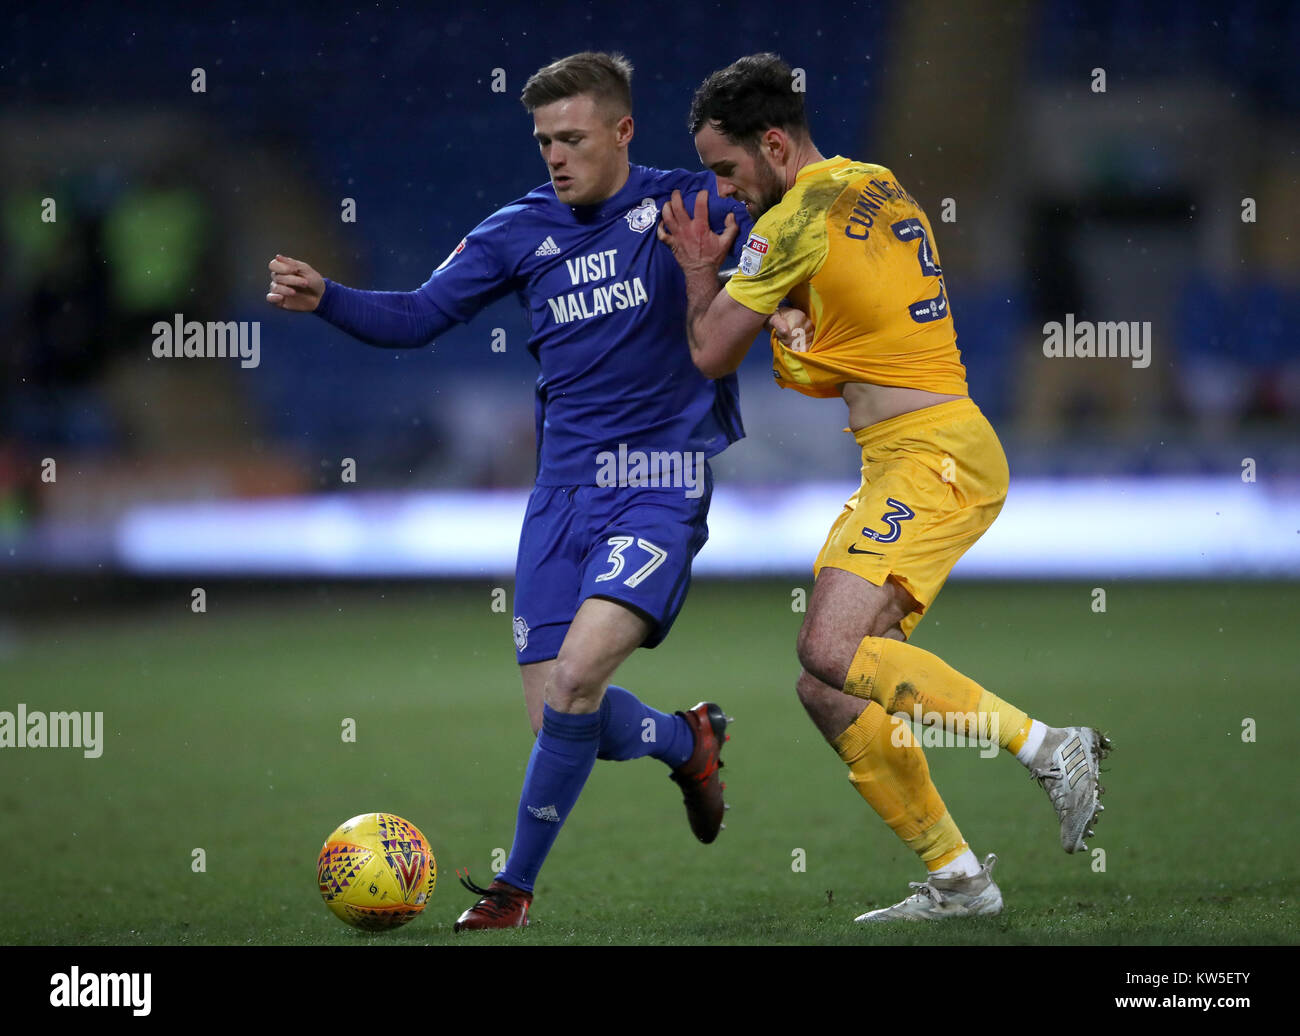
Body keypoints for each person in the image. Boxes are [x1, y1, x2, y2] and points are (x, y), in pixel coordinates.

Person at [266, 51, 772, 931]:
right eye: (544, 142)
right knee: (557, 720)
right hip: (558, 498)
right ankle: (686, 740)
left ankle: (513, 889)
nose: (556, 157)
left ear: (622, 131)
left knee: (577, 679)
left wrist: (796, 302)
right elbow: (421, 314)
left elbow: (799, 222)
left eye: (573, 138)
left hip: (656, 484)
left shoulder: (692, 203)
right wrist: (328, 298)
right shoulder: (517, 230)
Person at [657, 53, 1110, 922]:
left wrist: (697, 268)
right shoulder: (874, 183)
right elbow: (870, 341)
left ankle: (1051, 746)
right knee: (829, 686)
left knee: (828, 653)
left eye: (727, 168)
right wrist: (795, 320)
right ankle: (958, 881)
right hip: (928, 447)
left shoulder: (790, 221)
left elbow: (709, 351)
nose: (725, 189)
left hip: (931, 455)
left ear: (775, 144)